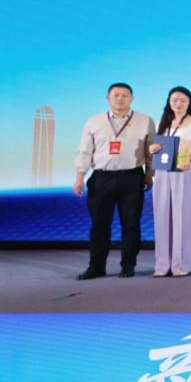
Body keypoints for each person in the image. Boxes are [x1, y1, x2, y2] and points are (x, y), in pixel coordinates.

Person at [73, 83, 155, 279]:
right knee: (99, 224)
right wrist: (79, 177)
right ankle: (96, 267)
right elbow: (85, 150)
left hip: (132, 177)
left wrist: (149, 174)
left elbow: (151, 150)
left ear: (132, 98)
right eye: (116, 95)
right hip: (102, 177)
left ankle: (128, 265)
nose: (120, 99)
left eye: (125, 95)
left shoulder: (145, 120)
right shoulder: (94, 121)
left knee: (131, 224)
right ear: (107, 98)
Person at [148, 86, 191, 277]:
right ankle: (162, 264)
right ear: (169, 102)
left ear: (189, 102)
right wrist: (152, 149)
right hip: (162, 172)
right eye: (174, 100)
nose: (178, 103)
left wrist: (189, 159)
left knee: (183, 215)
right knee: (162, 214)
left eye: (183, 100)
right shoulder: (162, 122)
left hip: (184, 170)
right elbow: (156, 147)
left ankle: (180, 264)